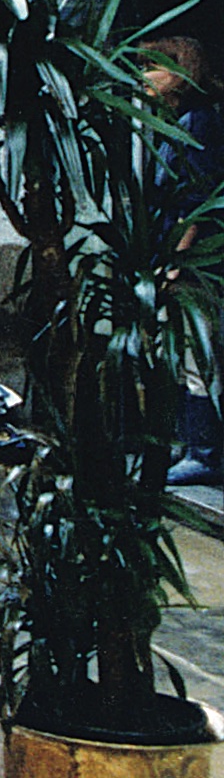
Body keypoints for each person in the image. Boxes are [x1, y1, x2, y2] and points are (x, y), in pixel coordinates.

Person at [143, 37, 224, 486]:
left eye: (151, 68)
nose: (142, 78)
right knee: (176, 352)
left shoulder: (199, 124)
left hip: (196, 262)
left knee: (197, 353)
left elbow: (196, 202)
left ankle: (205, 451)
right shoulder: (174, 123)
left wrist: (177, 262)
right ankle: (187, 445)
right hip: (172, 256)